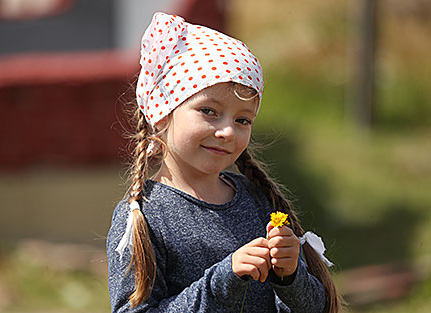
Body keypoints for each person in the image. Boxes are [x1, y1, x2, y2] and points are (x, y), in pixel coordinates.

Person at [107, 12, 342, 313]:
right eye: (209, 111)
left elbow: (317, 308)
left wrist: (291, 276)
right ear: (163, 112)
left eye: (243, 119)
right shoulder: (144, 217)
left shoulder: (257, 200)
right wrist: (222, 281)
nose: (228, 131)